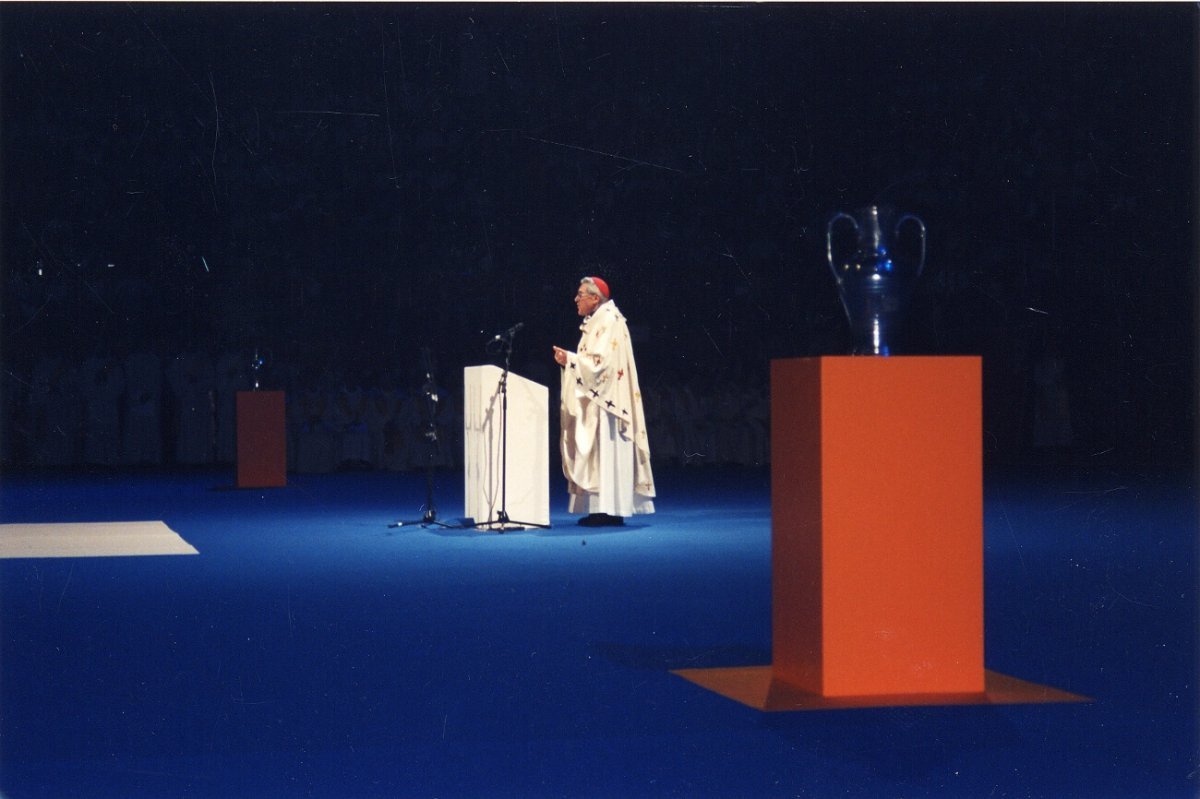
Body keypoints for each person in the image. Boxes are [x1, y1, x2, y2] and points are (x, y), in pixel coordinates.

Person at [552, 276, 655, 526]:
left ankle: (610, 510)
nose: (576, 299)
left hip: (609, 403)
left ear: (595, 298)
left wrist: (572, 360)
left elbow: (603, 364)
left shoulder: (610, 320)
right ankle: (600, 509)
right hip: (598, 398)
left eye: (580, 294)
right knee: (597, 454)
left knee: (606, 452)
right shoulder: (598, 321)